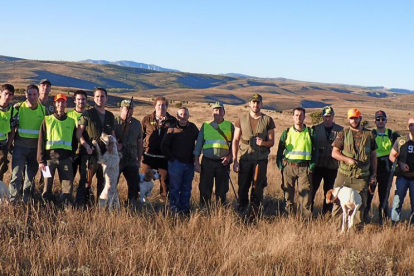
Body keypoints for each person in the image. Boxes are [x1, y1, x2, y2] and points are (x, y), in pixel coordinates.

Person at [331, 108, 377, 231]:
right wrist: (347, 159)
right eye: (351, 118)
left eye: (356, 118)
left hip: (361, 176)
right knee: (337, 203)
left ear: (360, 118)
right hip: (344, 174)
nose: (354, 120)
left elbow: (373, 156)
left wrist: (374, 174)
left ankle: (355, 231)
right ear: (348, 119)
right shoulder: (343, 134)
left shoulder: (369, 135)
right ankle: (337, 229)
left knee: (360, 204)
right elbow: (334, 153)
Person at [232, 93, 275, 216]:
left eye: (258, 102)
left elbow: (271, 142)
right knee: (243, 186)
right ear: (249, 104)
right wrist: (235, 160)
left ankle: (255, 214)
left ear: (261, 104)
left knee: (258, 188)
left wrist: (263, 143)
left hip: (260, 160)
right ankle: (241, 211)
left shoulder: (268, 120)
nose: (256, 105)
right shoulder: (241, 119)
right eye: (253, 102)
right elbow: (235, 140)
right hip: (245, 159)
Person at [76, 87, 116, 207]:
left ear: (106, 98)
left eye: (102, 96)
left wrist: (114, 149)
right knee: (85, 181)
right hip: (90, 154)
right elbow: (78, 133)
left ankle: (101, 206)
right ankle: (80, 206)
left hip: (106, 155)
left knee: (103, 182)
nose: (100, 99)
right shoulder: (87, 114)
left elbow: (112, 135)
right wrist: (86, 146)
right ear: (94, 99)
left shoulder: (110, 115)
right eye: (97, 96)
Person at [276, 107, 317, 218]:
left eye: (301, 115)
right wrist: (280, 165)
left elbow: (315, 151)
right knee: (288, 195)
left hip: (305, 168)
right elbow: (280, 150)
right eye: (296, 115)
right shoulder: (287, 132)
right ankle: (289, 218)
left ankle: (305, 221)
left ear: (304, 117)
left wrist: (312, 166)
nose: (298, 117)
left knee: (306, 196)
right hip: (289, 167)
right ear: (293, 117)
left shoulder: (310, 132)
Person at [8, 84, 46, 203]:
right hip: (20, 147)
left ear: (38, 95)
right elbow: (12, 129)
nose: (32, 97)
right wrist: (9, 145)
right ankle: (12, 200)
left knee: (30, 177)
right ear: (26, 95)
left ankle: (26, 200)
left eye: (34, 94)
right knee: (16, 175)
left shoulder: (43, 110)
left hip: (35, 149)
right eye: (29, 94)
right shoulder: (18, 108)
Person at [37, 94, 77, 204]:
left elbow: (74, 141)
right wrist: (41, 160)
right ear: (54, 104)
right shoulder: (47, 120)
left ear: (66, 104)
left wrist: (72, 157)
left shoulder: (71, 122)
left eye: (63, 102)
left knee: (67, 185)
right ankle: (47, 205)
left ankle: (65, 205)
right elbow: (41, 140)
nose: (60, 104)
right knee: (47, 185)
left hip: (65, 160)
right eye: (58, 102)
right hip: (49, 160)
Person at [194, 101, 234, 207]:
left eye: (220, 110)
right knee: (205, 188)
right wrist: (197, 163)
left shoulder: (230, 126)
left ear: (224, 112)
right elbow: (198, 145)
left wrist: (229, 157)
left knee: (222, 189)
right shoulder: (206, 125)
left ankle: (220, 211)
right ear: (212, 112)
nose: (218, 112)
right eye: (216, 110)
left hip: (223, 163)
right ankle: (204, 210)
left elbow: (234, 145)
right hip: (207, 161)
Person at [161, 107, 199, 214]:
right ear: (177, 116)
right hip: (175, 164)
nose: (183, 117)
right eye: (181, 114)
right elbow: (164, 146)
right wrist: (172, 158)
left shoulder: (192, 128)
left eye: (185, 114)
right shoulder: (171, 129)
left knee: (186, 189)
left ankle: (184, 210)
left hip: (189, 164)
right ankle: (174, 210)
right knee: (174, 188)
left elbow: (200, 141)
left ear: (188, 116)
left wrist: (196, 158)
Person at [365, 110, 399, 222]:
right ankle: (365, 216)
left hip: (386, 168)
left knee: (384, 195)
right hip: (373, 167)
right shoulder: (370, 134)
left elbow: (401, 147)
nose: (380, 121)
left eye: (383, 119)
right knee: (369, 194)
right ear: (374, 121)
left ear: (386, 120)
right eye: (378, 119)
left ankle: (383, 218)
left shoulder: (392, 134)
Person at [141, 96, 177, 200]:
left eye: (164, 105)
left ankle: (164, 204)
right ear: (155, 106)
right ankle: (143, 202)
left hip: (164, 158)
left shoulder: (172, 121)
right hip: (148, 156)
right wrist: (140, 152)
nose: (161, 107)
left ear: (167, 107)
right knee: (144, 180)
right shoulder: (147, 119)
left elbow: (175, 138)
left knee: (165, 182)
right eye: (159, 105)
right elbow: (140, 136)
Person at [311, 106, 343, 214]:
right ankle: (309, 211)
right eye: (325, 117)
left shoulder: (340, 130)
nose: (327, 119)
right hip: (317, 165)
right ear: (322, 117)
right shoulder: (315, 129)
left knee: (329, 191)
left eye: (329, 116)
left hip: (332, 166)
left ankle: (326, 214)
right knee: (312, 189)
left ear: (333, 116)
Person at [115, 99, 143, 207]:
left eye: (131, 109)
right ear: (121, 109)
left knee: (134, 184)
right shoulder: (114, 122)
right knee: (113, 183)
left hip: (131, 159)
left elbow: (140, 142)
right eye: (127, 108)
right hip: (117, 159)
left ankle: (131, 204)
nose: (129, 111)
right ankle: (113, 203)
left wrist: (139, 159)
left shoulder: (137, 124)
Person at [389, 117, 414, 224]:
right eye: (411, 124)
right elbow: (391, 156)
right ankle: (394, 223)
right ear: (407, 127)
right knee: (397, 202)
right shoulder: (400, 141)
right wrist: (400, 163)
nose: (413, 127)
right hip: (402, 177)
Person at [67, 90, 87, 183]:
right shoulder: (68, 115)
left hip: (86, 152)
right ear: (74, 100)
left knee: (85, 179)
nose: (81, 101)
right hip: (72, 152)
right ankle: (67, 197)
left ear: (86, 100)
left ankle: (84, 197)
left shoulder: (90, 115)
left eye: (83, 99)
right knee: (69, 178)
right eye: (78, 99)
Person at [0, 84, 15, 181]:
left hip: (2, 146)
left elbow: (12, 131)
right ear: (0, 93)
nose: (7, 96)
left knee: (1, 170)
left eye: (10, 94)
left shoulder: (13, 111)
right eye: (6, 93)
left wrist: (9, 145)